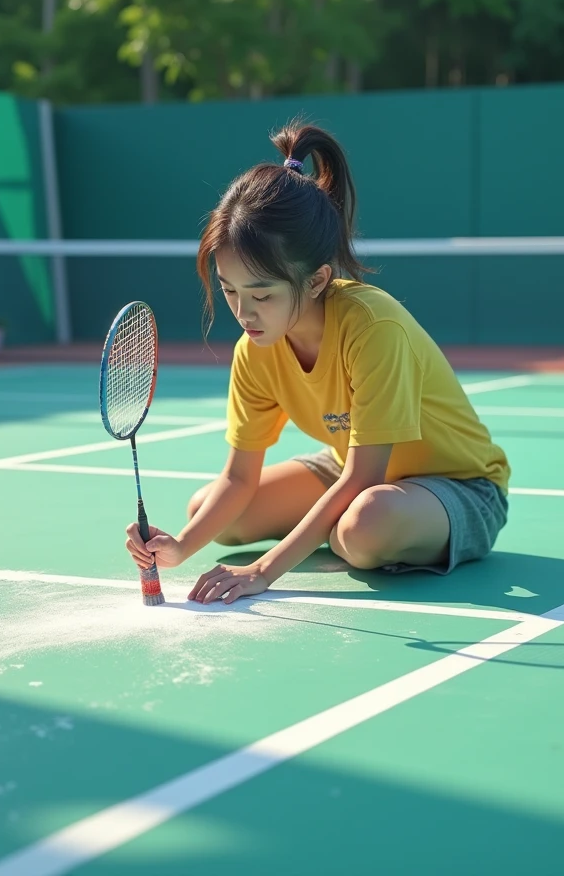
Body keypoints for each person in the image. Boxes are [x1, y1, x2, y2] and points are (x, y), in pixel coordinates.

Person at [125, 123, 510, 605]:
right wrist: (179, 547)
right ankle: (331, 523)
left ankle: (342, 525)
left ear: (315, 280)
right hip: (349, 469)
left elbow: (365, 477)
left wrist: (264, 570)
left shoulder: (373, 327)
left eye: (262, 294)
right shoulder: (255, 349)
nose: (244, 313)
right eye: (229, 291)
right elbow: (238, 478)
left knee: (364, 530)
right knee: (211, 512)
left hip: (458, 487)